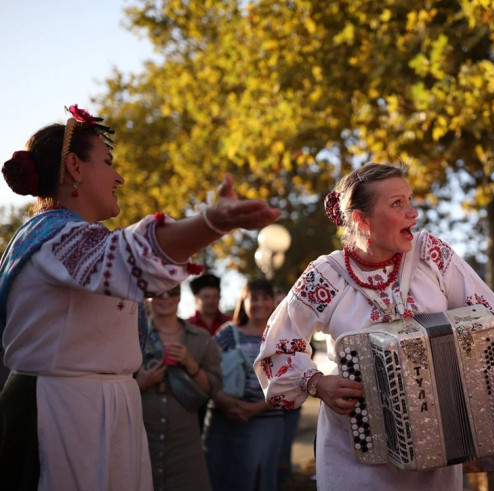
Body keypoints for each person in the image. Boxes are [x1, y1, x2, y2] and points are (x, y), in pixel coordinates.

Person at [0, 104, 281, 490]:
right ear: (75, 167)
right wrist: (213, 220)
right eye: (108, 161)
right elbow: (130, 258)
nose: (119, 177)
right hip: (62, 413)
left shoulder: (66, 238)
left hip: (99, 407)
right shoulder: (53, 236)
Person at [253, 162, 494, 491]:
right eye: (397, 203)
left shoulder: (432, 256)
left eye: (410, 200)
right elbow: (277, 348)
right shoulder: (326, 275)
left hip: (439, 451)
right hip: (355, 456)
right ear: (362, 220)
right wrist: (316, 383)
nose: (413, 213)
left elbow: (491, 320)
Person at [136, 284, 222, 491]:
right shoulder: (134, 336)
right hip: (143, 435)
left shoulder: (201, 339)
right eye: (158, 292)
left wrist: (191, 366)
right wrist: (142, 382)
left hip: (185, 440)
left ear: (179, 297)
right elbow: (115, 383)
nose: (165, 297)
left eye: (172, 292)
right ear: (149, 297)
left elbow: (213, 389)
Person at [204, 278, 285, 491]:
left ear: (272, 302)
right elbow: (207, 370)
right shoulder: (228, 332)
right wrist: (224, 401)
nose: (259, 304)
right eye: (254, 299)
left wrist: (255, 408)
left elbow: (289, 380)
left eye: (264, 298)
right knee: (219, 476)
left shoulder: (283, 336)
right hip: (224, 418)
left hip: (266, 421)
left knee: (259, 479)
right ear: (244, 302)